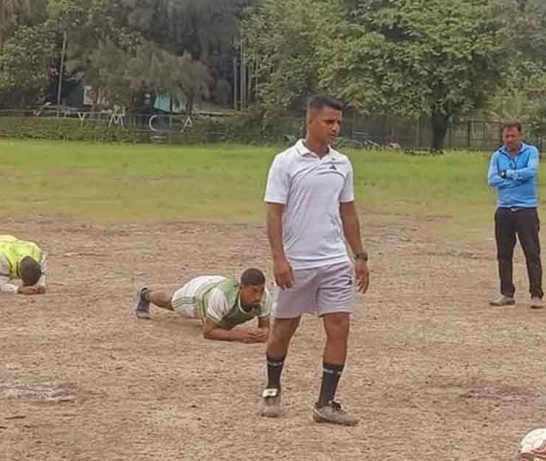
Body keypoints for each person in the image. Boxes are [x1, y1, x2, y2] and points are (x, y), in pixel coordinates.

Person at [260, 95, 370, 426]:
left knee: (340, 327)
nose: (335, 127)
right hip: (298, 262)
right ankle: (272, 387)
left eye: (339, 122)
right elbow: (274, 213)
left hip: (335, 261)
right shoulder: (286, 162)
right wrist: (279, 259)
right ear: (310, 121)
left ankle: (326, 403)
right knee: (283, 328)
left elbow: (347, 211)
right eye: (329, 122)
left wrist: (359, 255)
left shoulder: (343, 163)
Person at [487, 122, 544, 309]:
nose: (509, 140)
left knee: (532, 253)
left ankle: (536, 295)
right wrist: (516, 178)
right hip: (504, 210)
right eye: (506, 136)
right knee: (504, 254)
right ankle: (506, 293)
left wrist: (507, 175)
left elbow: (531, 172)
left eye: (513, 136)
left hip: (526, 210)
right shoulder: (497, 155)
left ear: (520, 135)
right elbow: (492, 179)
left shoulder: (531, 152)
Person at [133, 268, 271, 343]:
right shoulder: (221, 295)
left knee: (223, 323)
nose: (258, 296)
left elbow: (265, 327)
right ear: (242, 288)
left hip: (217, 285)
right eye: (253, 291)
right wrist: (238, 336)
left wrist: (264, 333)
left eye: (260, 290)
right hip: (197, 294)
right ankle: (145, 295)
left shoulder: (265, 297)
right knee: (171, 302)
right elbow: (208, 332)